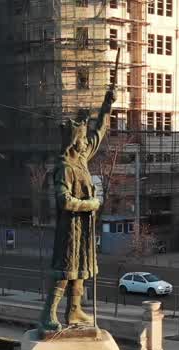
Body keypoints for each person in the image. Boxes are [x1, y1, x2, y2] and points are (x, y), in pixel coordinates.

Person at [37, 57, 117, 331]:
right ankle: (48, 314)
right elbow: (64, 200)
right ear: (73, 143)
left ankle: (75, 311)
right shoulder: (64, 167)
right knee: (65, 269)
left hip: (83, 228)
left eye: (85, 140)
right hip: (69, 228)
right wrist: (91, 203)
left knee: (81, 269)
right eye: (81, 140)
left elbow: (100, 131)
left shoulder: (82, 159)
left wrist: (108, 103)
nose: (86, 143)